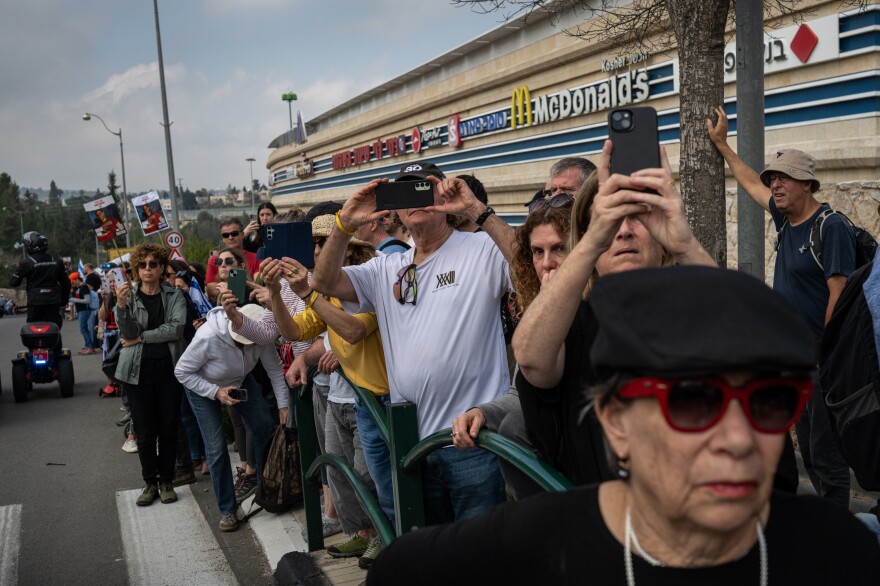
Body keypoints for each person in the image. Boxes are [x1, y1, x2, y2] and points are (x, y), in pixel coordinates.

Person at [367, 266, 880, 585]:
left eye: (769, 402)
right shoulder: (525, 551)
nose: (739, 438)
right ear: (616, 422)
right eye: (694, 402)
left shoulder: (840, 549)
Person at [312, 160, 517, 525]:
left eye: (424, 187)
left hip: (472, 438)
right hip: (411, 442)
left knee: (481, 552)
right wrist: (344, 224)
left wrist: (475, 209)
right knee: (431, 552)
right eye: (406, 191)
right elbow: (324, 282)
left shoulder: (479, 248)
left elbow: (527, 265)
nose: (415, 198)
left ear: (442, 191)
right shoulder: (385, 266)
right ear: (395, 208)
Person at [512, 141, 716, 489]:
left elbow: (745, 331)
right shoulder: (574, 323)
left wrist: (685, 244)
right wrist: (591, 242)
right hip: (604, 525)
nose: (622, 231)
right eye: (607, 220)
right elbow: (531, 360)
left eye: (638, 216)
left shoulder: (693, 305)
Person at [708, 106, 855, 505]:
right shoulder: (784, 220)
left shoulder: (832, 226)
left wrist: (824, 358)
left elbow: (838, 294)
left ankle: (835, 534)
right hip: (793, 362)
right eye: (773, 178)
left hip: (822, 364)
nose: (774, 184)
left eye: (784, 178)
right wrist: (722, 144)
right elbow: (749, 183)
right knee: (806, 447)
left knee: (826, 457)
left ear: (807, 184)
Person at [263, 214, 386, 567]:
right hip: (340, 396)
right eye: (316, 245)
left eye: (322, 245)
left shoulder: (368, 287)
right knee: (340, 471)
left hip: (374, 399)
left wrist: (307, 292)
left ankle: (382, 535)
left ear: (345, 252)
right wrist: (275, 292)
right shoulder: (325, 295)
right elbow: (293, 333)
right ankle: (361, 535)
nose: (316, 252)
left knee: (369, 476)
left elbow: (351, 331)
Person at [452, 196, 577, 499]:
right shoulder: (536, 308)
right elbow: (522, 394)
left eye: (559, 248)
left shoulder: (601, 304)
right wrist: (483, 412)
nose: (547, 262)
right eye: (538, 251)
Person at [174, 302, 289, 532]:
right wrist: (215, 392)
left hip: (240, 379)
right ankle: (227, 509)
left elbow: (274, 369)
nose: (248, 346)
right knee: (216, 449)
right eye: (243, 342)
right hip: (202, 385)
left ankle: (261, 484)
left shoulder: (261, 334)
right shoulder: (208, 336)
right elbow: (182, 371)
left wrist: (283, 406)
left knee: (265, 425)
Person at [114, 243, 187, 507]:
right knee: (144, 430)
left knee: (168, 427)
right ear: (135, 269)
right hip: (137, 372)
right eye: (142, 265)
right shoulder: (129, 297)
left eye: (152, 264)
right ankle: (149, 482)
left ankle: (167, 480)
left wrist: (142, 338)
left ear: (161, 267)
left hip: (169, 369)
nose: (147, 269)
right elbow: (127, 333)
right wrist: (121, 307)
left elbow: (176, 329)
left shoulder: (174, 295)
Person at [9, 231, 70, 351]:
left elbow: (13, 282)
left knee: (33, 333)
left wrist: (18, 271)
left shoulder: (27, 263)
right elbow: (66, 284)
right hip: (53, 304)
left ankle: (33, 356)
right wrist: (63, 301)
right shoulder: (57, 261)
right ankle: (57, 359)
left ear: (31, 246)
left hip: (35, 304)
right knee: (55, 332)